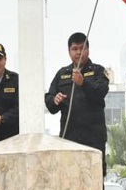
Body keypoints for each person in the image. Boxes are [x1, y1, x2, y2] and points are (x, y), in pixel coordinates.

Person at [45, 32, 110, 176]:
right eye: (75, 49)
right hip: (70, 138)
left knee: (95, 178)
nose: (79, 52)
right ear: (69, 51)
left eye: (82, 48)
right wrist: (55, 100)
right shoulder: (62, 74)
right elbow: (49, 102)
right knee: (70, 178)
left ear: (88, 50)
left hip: (93, 138)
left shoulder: (98, 71)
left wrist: (83, 83)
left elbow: (101, 92)